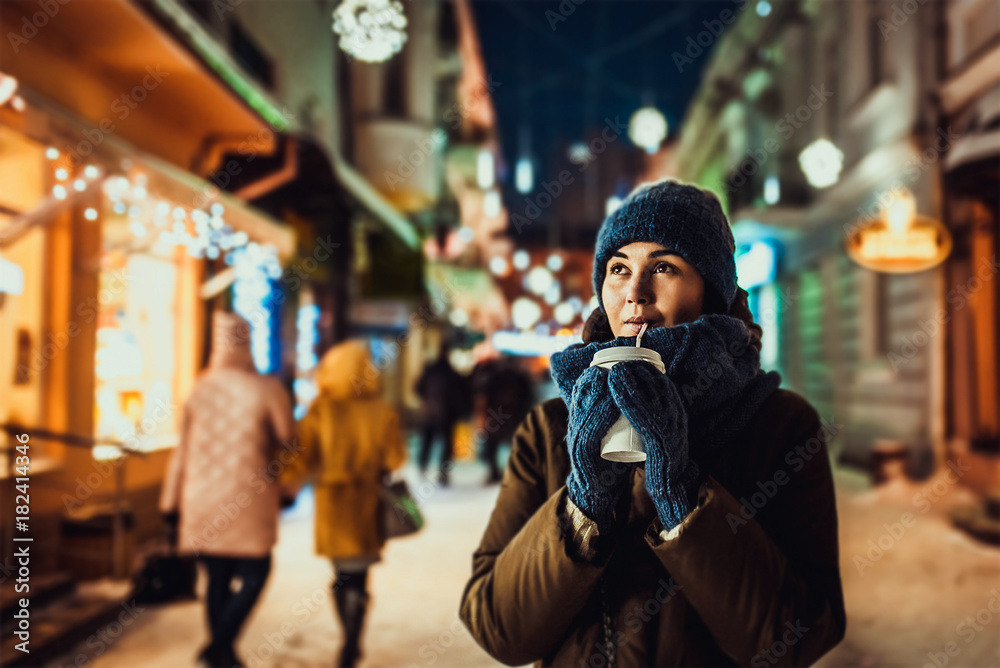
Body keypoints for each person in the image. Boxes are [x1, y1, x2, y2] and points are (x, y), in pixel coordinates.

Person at [459, 179, 846, 667]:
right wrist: (584, 507)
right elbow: (499, 630)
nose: (635, 294)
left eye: (664, 267)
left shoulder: (781, 426)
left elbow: (801, 637)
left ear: (711, 289)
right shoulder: (548, 429)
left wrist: (681, 498)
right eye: (619, 268)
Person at [160, 312, 295, 668]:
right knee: (257, 573)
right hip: (249, 500)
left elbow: (182, 452)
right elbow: (288, 442)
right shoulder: (267, 388)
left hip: (201, 499)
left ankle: (220, 649)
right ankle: (222, 645)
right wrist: (289, 488)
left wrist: (169, 502)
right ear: (247, 343)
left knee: (216, 579)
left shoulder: (199, 387)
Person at [282, 340, 407, 668]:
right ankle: (353, 640)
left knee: (340, 574)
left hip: (332, 504)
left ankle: (348, 639)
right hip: (366, 503)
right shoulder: (382, 411)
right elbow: (395, 458)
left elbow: (300, 458)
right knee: (360, 575)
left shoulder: (320, 410)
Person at [471, 357, 535, 484]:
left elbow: (484, 396)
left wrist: (484, 415)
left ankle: (496, 472)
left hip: (496, 416)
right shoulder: (519, 378)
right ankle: (516, 473)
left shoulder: (495, 378)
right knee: (516, 446)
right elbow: (528, 398)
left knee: (493, 445)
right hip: (513, 416)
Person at [415, 343, 469, 486]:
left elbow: (418, 388)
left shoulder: (430, 371)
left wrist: (427, 401)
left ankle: (422, 467)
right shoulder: (452, 373)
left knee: (428, 442)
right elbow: (460, 395)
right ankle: (442, 473)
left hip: (430, 413)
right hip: (447, 415)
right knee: (445, 446)